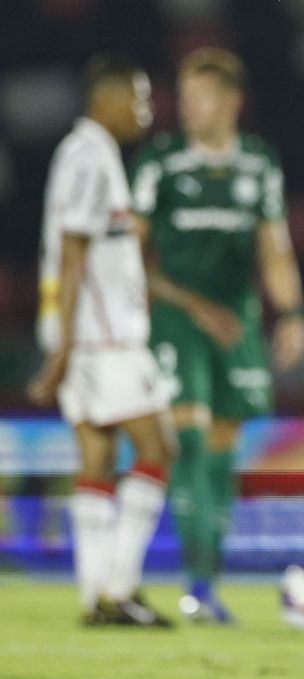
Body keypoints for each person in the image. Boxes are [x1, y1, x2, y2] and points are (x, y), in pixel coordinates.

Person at [130, 47, 304, 623]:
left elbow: (273, 246)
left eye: (201, 97)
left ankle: (209, 582)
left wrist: (292, 313)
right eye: (183, 99)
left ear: (232, 101)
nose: (189, 109)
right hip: (177, 318)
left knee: (223, 447)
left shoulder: (258, 163)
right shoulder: (159, 162)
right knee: (189, 435)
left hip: (236, 319)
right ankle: (197, 585)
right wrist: (192, 305)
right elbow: (131, 257)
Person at [28, 54, 174, 628]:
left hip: (84, 331)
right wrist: (63, 348)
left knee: (98, 456)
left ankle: (95, 595)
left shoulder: (83, 154)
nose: (145, 110)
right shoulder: (91, 157)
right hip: (102, 335)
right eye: (137, 99)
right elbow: (72, 250)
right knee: (158, 448)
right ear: (106, 101)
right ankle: (120, 588)